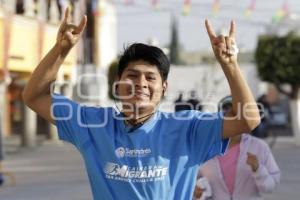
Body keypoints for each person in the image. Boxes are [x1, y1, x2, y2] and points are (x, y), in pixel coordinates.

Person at [22, 7, 260, 199]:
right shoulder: (92, 125)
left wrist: (230, 65)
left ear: (164, 87)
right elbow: (35, 96)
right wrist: (61, 51)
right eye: (132, 76)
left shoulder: (188, 128)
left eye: (150, 77)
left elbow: (248, 119)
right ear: (118, 82)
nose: (141, 83)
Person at [193, 96, 280, 200]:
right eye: (227, 113)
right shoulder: (205, 148)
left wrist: (258, 169)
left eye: (236, 115)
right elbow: (191, 183)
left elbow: (270, 188)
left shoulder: (259, 146)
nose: (232, 119)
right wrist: (197, 192)